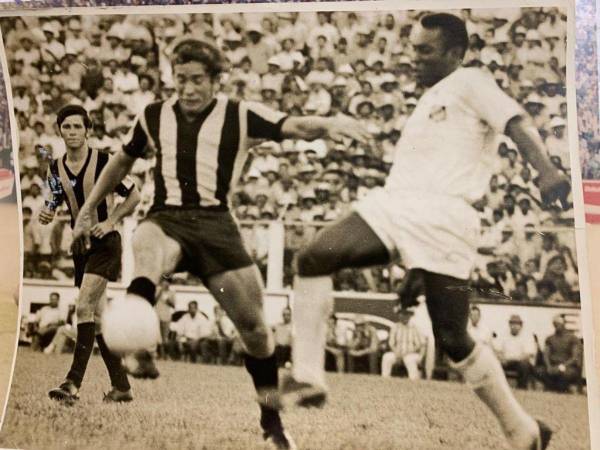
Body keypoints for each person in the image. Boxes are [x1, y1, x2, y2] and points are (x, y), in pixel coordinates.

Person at [280, 13, 568, 450]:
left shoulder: (471, 82)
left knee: (453, 339)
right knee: (312, 258)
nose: (413, 58)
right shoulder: (431, 99)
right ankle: (307, 377)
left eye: (425, 51)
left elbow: (516, 120)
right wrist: (413, 264)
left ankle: (522, 431)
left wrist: (546, 169)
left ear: (456, 54)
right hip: (400, 209)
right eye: (413, 48)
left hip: (444, 220)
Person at [72, 38, 367, 450]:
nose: (188, 89)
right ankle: (139, 345)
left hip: (217, 227)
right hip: (167, 219)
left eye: (197, 80)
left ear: (215, 80)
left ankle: (272, 424)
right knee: (145, 242)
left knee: (257, 332)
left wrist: (333, 125)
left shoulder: (239, 115)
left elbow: (293, 126)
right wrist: (88, 209)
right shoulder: (153, 116)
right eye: (181, 80)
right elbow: (122, 160)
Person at [39, 105, 140, 403]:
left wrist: (110, 221)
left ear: (88, 130)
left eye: (77, 127)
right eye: (66, 127)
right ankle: (121, 387)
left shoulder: (105, 162)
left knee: (83, 308)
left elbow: (135, 195)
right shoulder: (55, 167)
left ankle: (72, 384)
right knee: (96, 317)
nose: (71, 132)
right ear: (59, 130)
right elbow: (55, 199)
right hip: (80, 248)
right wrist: (48, 211)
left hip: (106, 243)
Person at [535, 314, 582, 393]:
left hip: (568, 366)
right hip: (553, 365)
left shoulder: (573, 338)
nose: (557, 325)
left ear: (564, 324)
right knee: (539, 371)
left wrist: (562, 366)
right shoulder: (550, 338)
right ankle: (552, 388)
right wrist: (548, 366)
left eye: (559, 323)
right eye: (555, 323)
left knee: (564, 375)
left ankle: (560, 389)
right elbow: (546, 354)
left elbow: (575, 357)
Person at [381, 308, 426, 380]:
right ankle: (385, 379)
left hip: (411, 353)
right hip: (397, 352)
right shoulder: (395, 327)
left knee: (409, 359)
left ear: (410, 316)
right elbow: (391, 343)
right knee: (387, 357)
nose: (404, 316)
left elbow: (421, 344)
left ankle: (413, 380)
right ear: (399, 315)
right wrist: (396, 352)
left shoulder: (415, 327)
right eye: (402, 314)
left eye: (406, 314)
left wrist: (420, 357)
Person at [495, 315, 536, 390]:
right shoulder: (503, 334)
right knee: (495, 364)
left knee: (524, 365)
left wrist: (515, 359)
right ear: (509, 325)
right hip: (506, 361)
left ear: (521, 326)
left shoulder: (527, 336)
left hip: (520, 362)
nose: (514, 326)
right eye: (512, 324)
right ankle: (499, 389)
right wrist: (501, 358)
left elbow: (528, 354)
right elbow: (497, 350)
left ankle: (521, 388)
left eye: (516, 324)